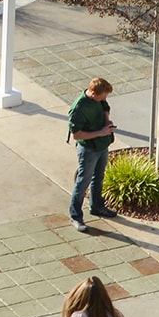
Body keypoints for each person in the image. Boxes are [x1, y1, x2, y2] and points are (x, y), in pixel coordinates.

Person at [67, 76, 117, 231]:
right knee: (83, 182)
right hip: (88, 149)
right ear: (94, 94)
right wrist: (101, 132)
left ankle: (96, 206)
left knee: (99, 176)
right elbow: (77, 135)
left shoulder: (99, 99)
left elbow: (105, 107)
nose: (105, 98)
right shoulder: (79, 108)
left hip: (102, 145)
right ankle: (75, 216)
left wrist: (106, 120)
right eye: (103, 96)